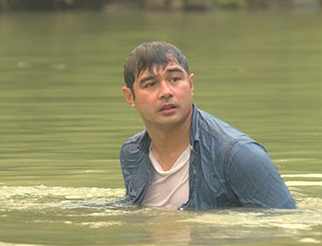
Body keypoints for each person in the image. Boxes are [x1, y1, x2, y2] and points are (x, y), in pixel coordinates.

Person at [120, 41, 296, 209]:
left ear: (190, 84)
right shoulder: (133, 153)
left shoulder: (237, 154)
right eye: (151, 84)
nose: (166, 92)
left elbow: (284, 222)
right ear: (130, 97)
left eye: (174, 79)